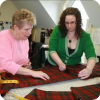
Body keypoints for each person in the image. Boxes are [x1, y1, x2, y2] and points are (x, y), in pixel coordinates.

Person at [0, 9, 50, 80]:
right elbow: (7, 64)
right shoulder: (3, 37)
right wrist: (32, 72)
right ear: (16, 28)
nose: (30, 33)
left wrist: (26, 66)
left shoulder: (25, 39)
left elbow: (23, 61)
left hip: (16, 75)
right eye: (26, 29)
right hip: (2, 76)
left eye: (31, 29)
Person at [47, 7, 96, 79]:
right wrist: (60, 63)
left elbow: (91, 56)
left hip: (73, 68)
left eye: (72, 22)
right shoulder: (58, 30)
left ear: (78, 21)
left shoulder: (85, 36)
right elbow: (52, 50)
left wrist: (89, 69)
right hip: (53, 66)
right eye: (67, 23)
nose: (69, 26)